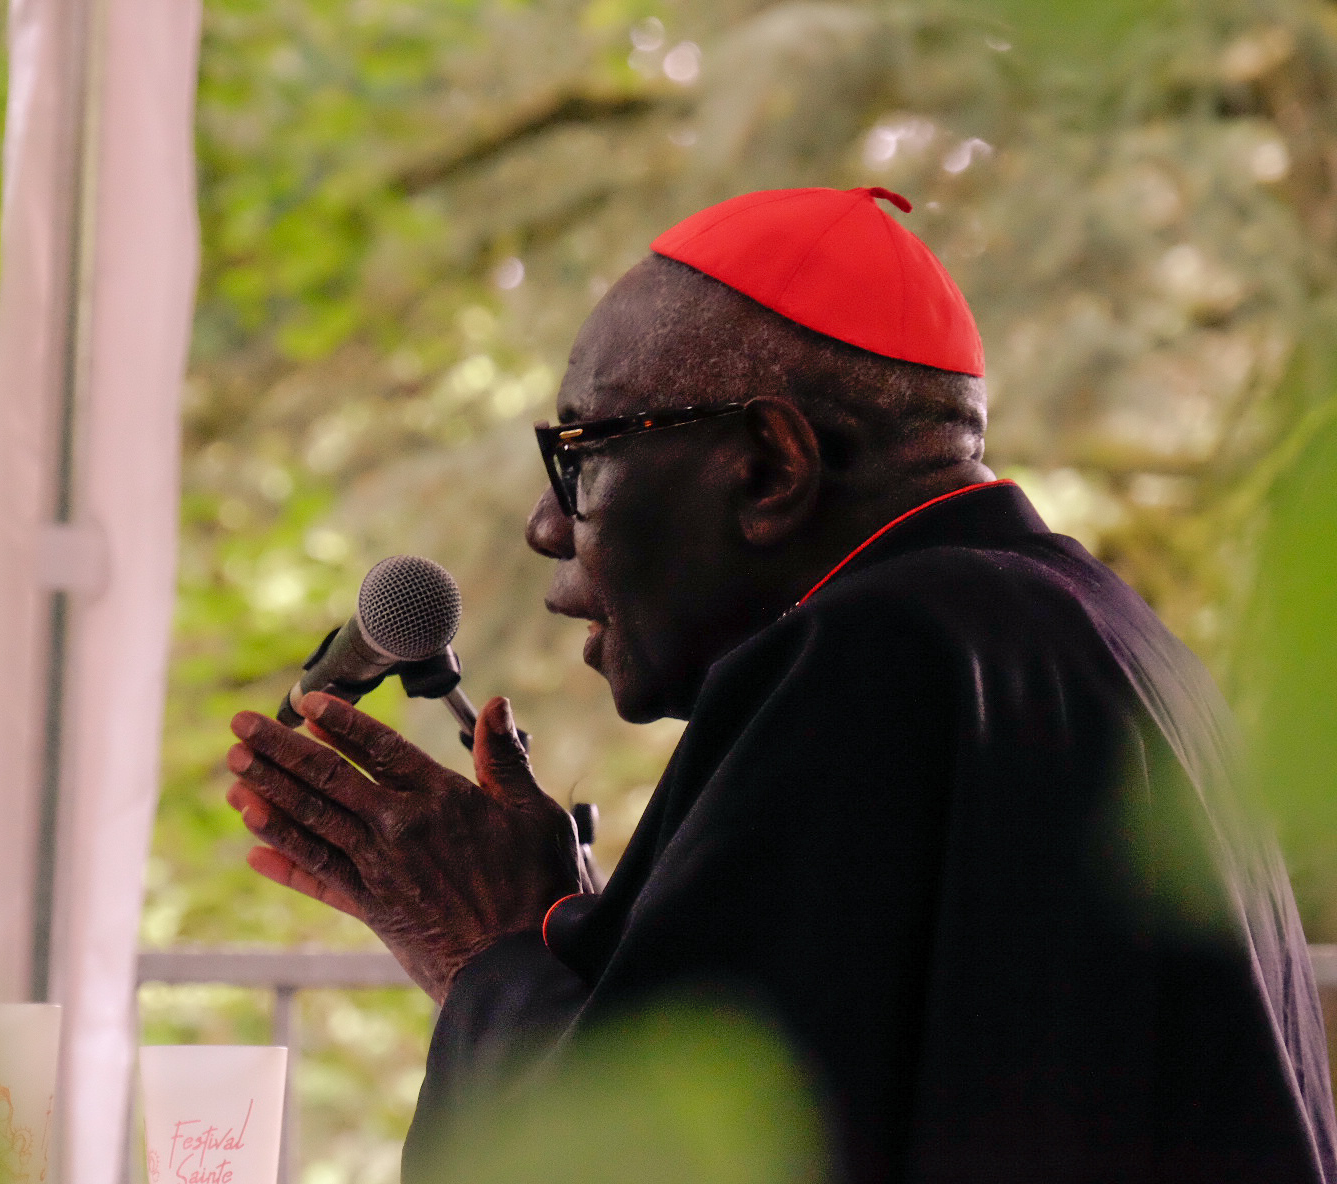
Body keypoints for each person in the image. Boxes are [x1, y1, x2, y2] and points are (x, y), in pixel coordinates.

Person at [223, 187, 1337, 1182]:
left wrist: (483, 949)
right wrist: (578, 929)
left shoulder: (876, 654)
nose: (547, 525)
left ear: (767, 467)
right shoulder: (1099, 630)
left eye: (582, 456)